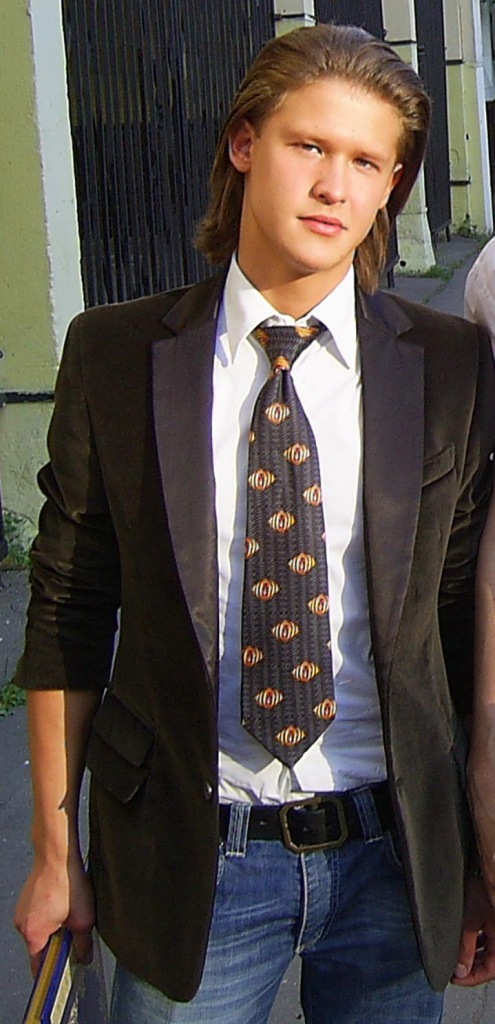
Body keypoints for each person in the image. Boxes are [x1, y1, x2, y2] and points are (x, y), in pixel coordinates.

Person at [14, 23, 495, 1024]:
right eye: (307, 145)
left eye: (365, 162)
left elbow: (456, 619)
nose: (333, 186)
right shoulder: (118, 353)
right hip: (194, 860)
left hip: (392, 859)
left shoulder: (447, 366)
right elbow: (68, 608)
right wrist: (56, 854)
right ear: (244, 144)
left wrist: (474, 856)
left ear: (390, 188)